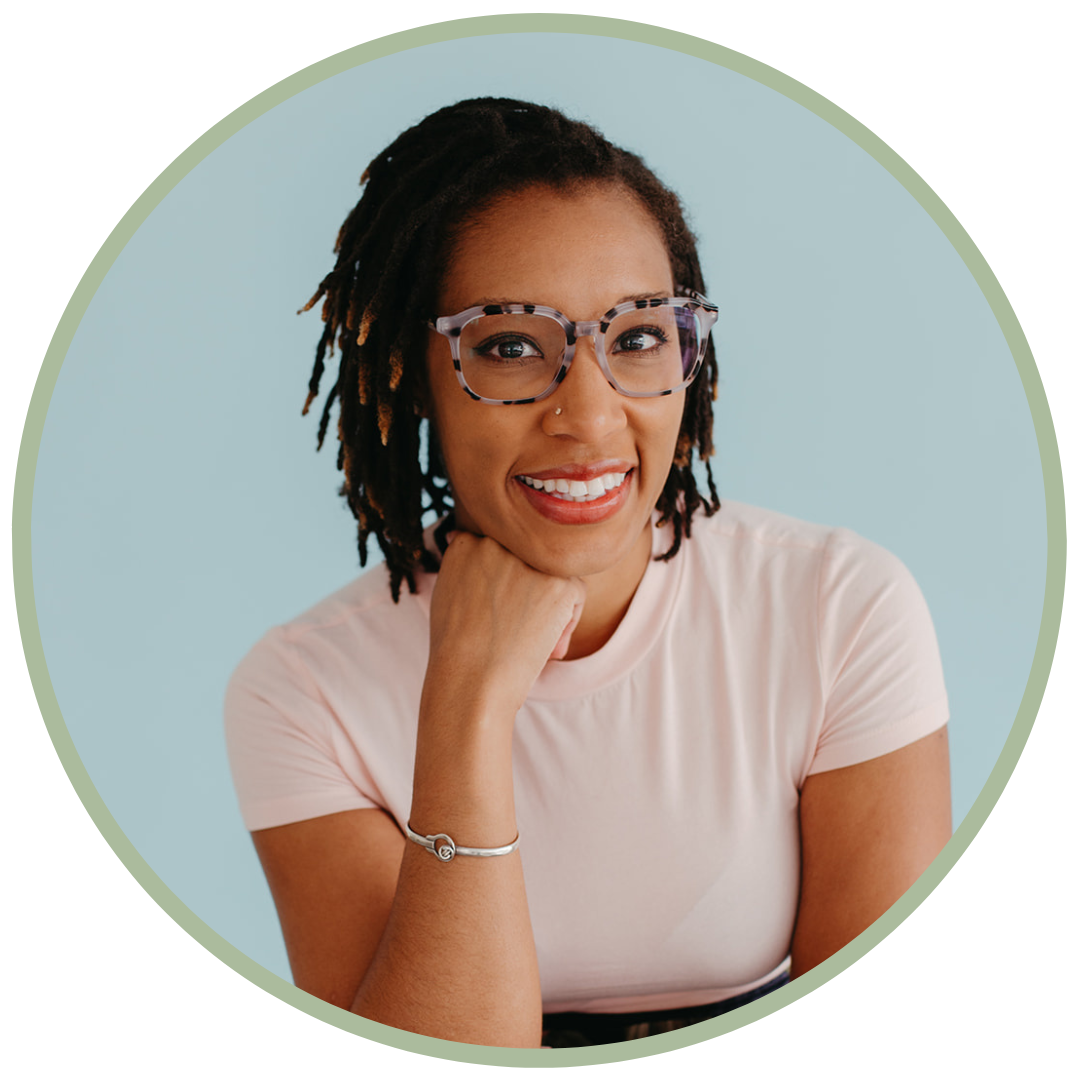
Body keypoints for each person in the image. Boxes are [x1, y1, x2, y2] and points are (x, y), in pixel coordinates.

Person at [224, 97, 952, 1049]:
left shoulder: (838, 609)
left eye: (638, 337)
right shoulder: (302, 692)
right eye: (510, 347)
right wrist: (466, 707)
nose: (591, 417)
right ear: (414, 371)